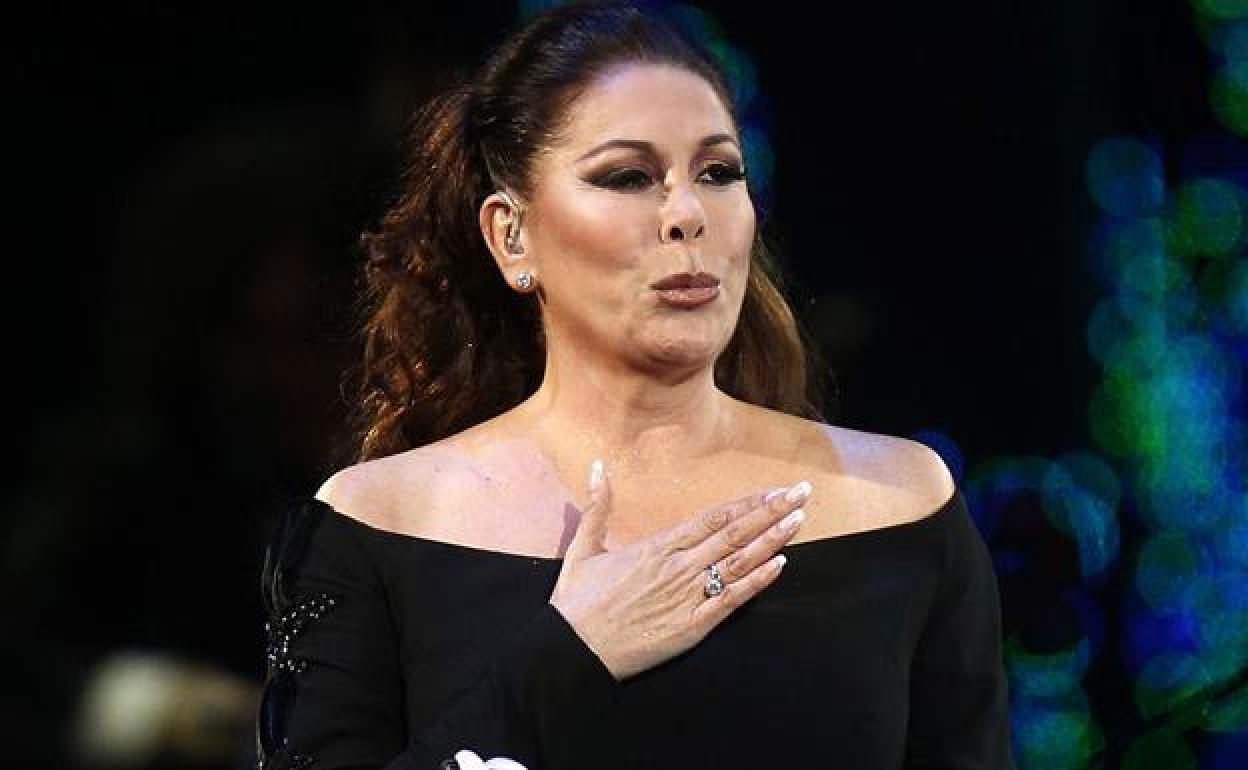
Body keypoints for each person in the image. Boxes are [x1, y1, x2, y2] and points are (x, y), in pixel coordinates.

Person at [255, 3, 1014, 769]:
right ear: (511, 236)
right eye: (628, 177)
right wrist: (570, 658)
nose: (687, 214)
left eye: (718, 173)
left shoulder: (903, 503)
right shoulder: (377, 522)